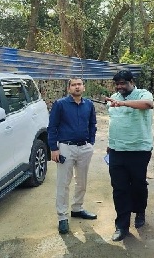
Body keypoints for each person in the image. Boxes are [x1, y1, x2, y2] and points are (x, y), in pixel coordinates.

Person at [105, 70, 154, 242]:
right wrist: (110, 144)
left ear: (132, 82)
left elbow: (147, 104)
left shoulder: (143, 94)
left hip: (139, 150)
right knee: (119, 188)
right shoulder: (114, 98)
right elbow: (114, 122)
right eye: (117, 84)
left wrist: (123, 103)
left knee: (138, 185)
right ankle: (121, 226)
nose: (120, 86)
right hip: (116, 150)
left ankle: (140, 211)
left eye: (123, 83)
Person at [47, 78, 98, 235]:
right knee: (63, 183)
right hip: (65, 148)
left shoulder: (89, 104)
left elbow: (92, 124)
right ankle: (62, 217)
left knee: (82, 181)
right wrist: (53, 148)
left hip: (84, 148)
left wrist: (91, 142)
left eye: (79, 84)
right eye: (74, 85)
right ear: (69, 88)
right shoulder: (60, 104)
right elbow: (52, 127)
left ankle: (77, 208)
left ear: (84, 87)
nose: (77, 87)